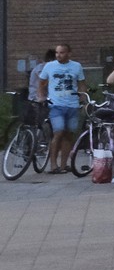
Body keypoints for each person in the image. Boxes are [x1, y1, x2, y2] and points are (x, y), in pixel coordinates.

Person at [34, 41, 88, 176]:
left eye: (62, 53)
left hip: (73, 105)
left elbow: (81, 83)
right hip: (56, 105)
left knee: (69, 134)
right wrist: (41, 96)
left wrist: (83, 98)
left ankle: (64, 165)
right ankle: (53, 165)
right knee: (58, 132)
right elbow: (41, 82)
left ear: (69, 54)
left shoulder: (76, 66)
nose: (58, 55)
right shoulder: (49, 66)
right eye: (57, 53)